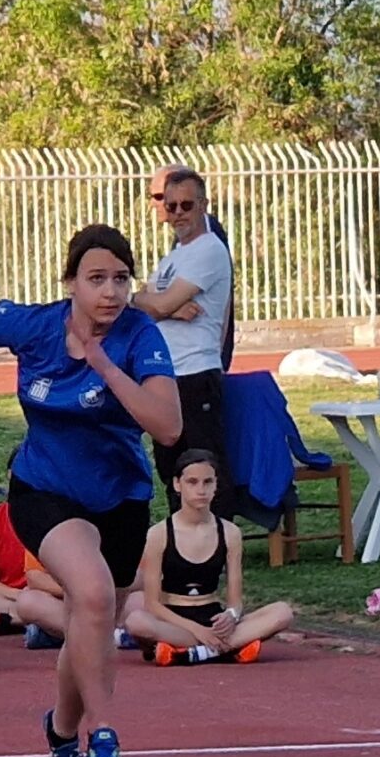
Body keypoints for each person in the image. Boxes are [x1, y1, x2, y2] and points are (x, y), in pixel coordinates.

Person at [0, 224, 182, 757]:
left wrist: (107, 368)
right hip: (44, 490)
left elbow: (168, 426)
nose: (110, 293)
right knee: (96, 594)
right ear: (71, 283)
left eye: (122, 280)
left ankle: (59, 729)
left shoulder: (139, 335)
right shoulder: (32, 325)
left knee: (93, 618)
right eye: (96, 279)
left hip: (121, 498)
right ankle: (102, 732)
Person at [124, 450, 292, 665]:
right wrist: (197, 630)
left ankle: (189, 653)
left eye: (207, 482)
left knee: (282, 612)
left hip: (212, 616)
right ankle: (226, 648)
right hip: (174, 620)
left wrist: (230, 616)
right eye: (192, 482)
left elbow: (235, 601)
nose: (200, 490)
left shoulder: (230, 532)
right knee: (137, 622)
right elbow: (153, 604)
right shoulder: (159, 534)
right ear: (177, 484)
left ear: (216, 485)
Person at [133, 166, 234, 506]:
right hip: (167, 375)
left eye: (186, 205)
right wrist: (167, 307)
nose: (177, 213)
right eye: (171, 205)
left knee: (203, 473)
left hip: (195, 374)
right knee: (173, 472)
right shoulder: (173, 257)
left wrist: (159, 305)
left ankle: (215, 549)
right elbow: (140, 301)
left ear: (203, 204)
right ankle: (181, 549)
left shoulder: (208, 249)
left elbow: (152, 302)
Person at [0, 501, 64, 640]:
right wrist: (20, 595)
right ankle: (40, 626)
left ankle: (16, 622)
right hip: (15, 596)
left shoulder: (52, 516)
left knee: (35, 602)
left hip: (49, 595)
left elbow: (38, 578)